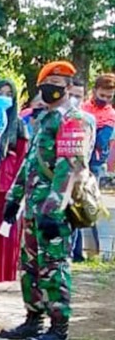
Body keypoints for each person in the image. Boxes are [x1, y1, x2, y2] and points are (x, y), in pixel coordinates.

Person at [0, 61, 93, 340]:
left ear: (68, 86)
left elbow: (70, 167)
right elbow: (30, 163)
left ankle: (59, 329)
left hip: (55, 210)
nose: (52, 86)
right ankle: (33, 319)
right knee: (30, 266)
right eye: (48, 80)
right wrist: (14, 199)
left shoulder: (73, 120)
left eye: (59, 81)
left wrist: (54, 210)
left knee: (54, 267)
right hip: (34, 208)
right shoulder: (44, 119)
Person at [0, 79, 30, 284]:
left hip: (8, 186)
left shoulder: (19, 125)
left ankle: (0, 275)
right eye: (0, 92)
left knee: (3, 231)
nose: (4, 97)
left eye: (8, 93)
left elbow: (23, 159)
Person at [75, 74, 114, 259]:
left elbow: (101, 142)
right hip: (77, 159)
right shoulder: (83, 108)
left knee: (88, 206)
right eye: (102, 95)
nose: (105, 100)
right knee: (73, 204)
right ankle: (76, 251)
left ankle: (92, 252)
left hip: (94, 164)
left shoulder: (110, 115)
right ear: (94, 91)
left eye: (109, 97)